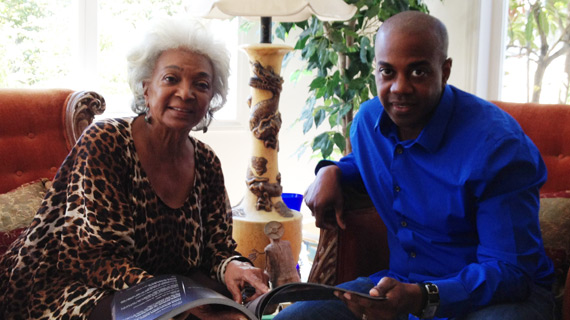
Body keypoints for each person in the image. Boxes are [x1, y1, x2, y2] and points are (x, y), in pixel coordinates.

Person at [274, 11, 555, 320]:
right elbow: (377, 163)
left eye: (418, 72)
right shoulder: (369, 123)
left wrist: (423, 297)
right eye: (387, 72)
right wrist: (332, 170)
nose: (399, 87)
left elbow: (510, 271)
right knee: (293, 318)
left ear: (445, 71)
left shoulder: (499, 148)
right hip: (402, 288)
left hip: (496, 299)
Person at [0, 16, 269, 320]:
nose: (186, 93)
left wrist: (233, 266)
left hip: (163, 284)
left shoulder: (206, 161)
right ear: (146, 88)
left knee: (241, 309)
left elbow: (217, 247)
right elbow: (95, 258)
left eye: (201, 84)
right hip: (73, 288)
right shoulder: (106, 142)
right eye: (171, 79)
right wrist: (182, 305)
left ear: (211, 98)